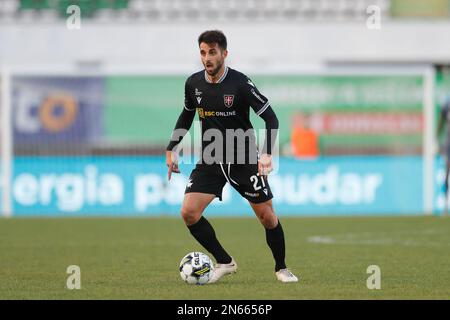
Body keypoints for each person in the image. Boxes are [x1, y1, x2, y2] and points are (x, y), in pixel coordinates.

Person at [165, 30, 298, 283]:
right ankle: (225, 262)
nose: (207, 58)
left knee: (267, 217)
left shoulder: (240, 83)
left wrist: (267, 154)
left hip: (244, 157)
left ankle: (281, 268)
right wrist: (172, 147)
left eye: (212, 52)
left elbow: (271, 117)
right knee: (189, 212)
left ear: (224, 54)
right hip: (211, 158)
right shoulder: (193, 84)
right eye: (203, 53)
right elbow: (186, 115)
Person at [437, 95, 450, 215]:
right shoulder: (446, 103)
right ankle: (446, 204)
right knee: (447, 172)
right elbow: (440, 123)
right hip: (449, 144)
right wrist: (436, 139)